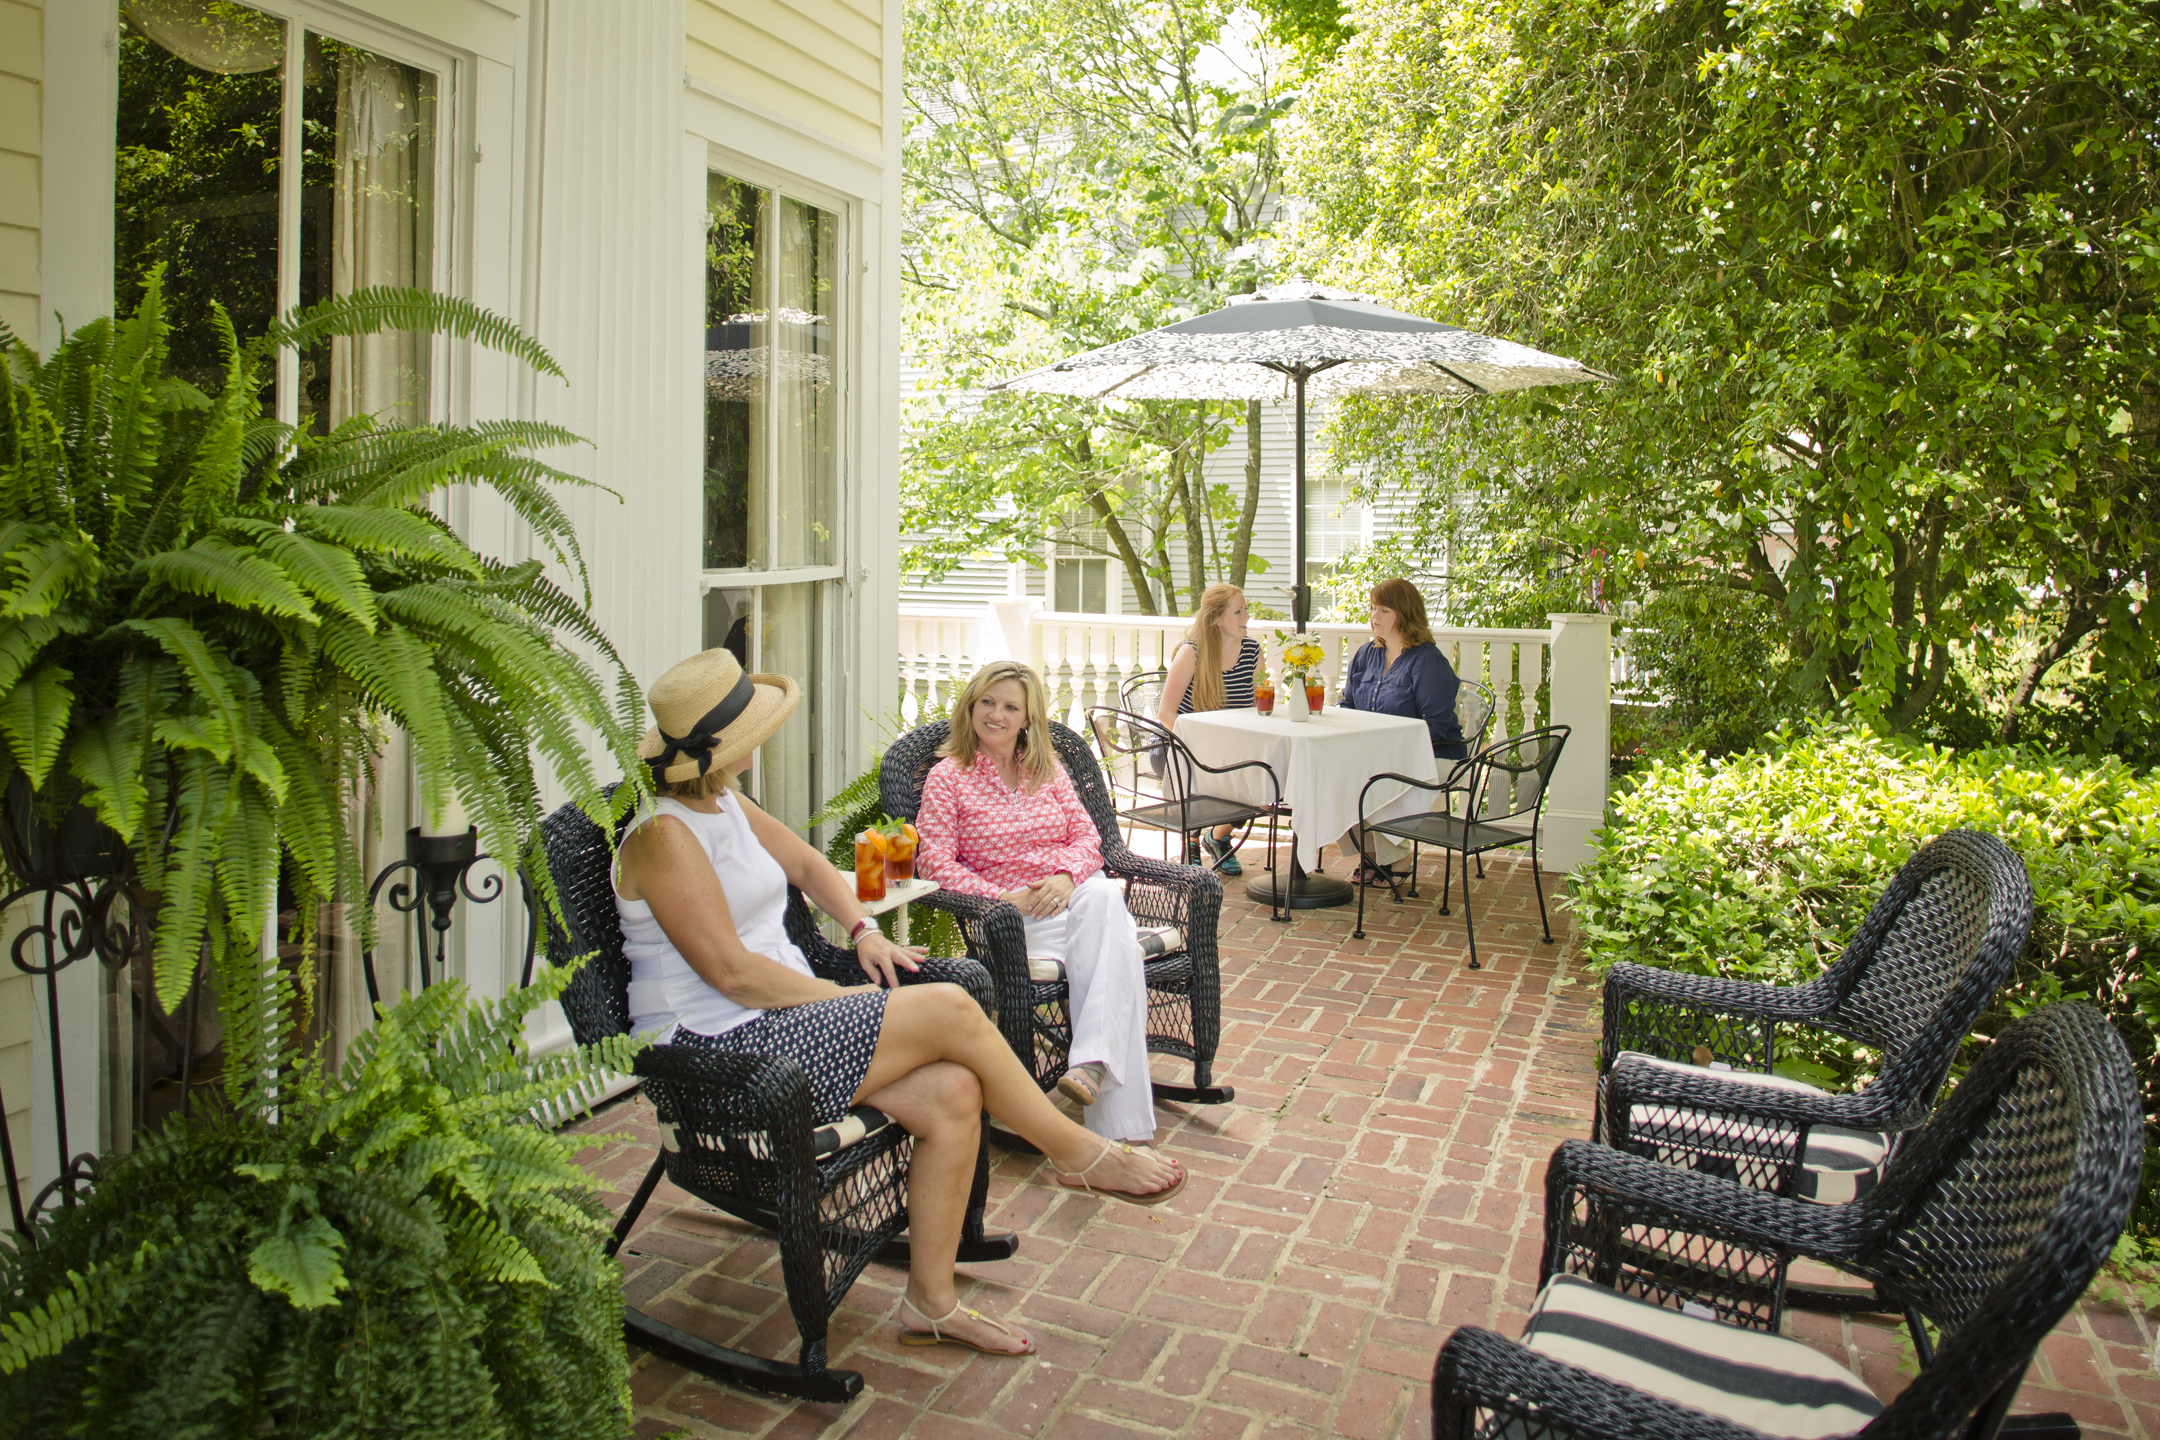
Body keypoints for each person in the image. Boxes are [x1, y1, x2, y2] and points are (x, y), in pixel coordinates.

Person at [614, 648, 1184, 1360]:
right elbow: (732, 974)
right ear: (722, 746)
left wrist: (862, 930)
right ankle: (1076, 1151)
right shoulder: (663, 836)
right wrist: (835, 995)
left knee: (955, 1092)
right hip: (718, 1049)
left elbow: (809, 865)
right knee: (950, 1008)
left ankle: (930, 1302)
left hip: (778, 1019)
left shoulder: (725, 802)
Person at [916, 660, 1158, 1145]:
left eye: (1011, 707)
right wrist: (1003, 898)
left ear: (1027, 717)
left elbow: (1088, 838)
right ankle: (1115, 1121)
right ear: (970, 706)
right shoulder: (948, 777)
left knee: (1102, 894)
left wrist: (1066, 877)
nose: (996, 715)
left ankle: (1091, 1066)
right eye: (987, 702)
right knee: (1121, 951)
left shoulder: (1046, 770)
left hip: (1073, 900)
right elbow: (934, 863)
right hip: (1012, 919)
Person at [1336, 578, 1468, 884]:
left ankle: (1397, 859)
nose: (1375, 616)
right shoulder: (1366, 654)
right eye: (1373, 608)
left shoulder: (1428, 661)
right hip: (1375, 754)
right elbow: (1348, 704)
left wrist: (1390, 752)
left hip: (1434, 755)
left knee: (1377, 775)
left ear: (1405, 614)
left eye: (1384, 610)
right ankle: (1371, 854)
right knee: (1337, 771)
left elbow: (1435, 726)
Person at [1154, 582, 1262, 874]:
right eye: (1238, 612)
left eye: (1246, 610)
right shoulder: (1192, 652)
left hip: (1230, 746)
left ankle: (1217, 836)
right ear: (1217, 619)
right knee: (1219, 771)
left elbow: (1257, 706)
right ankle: (1190, 840)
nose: (1247, 617)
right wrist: (1200, 745)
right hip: (1183, 745)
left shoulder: (1252, 651)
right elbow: (1166, 713)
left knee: (1265, 772)